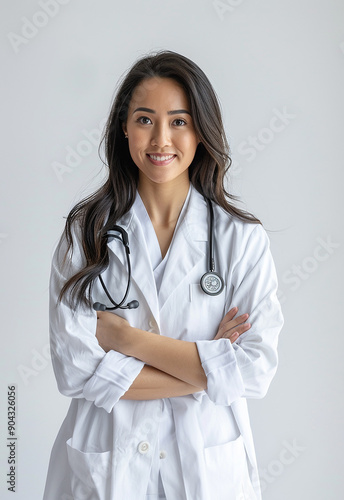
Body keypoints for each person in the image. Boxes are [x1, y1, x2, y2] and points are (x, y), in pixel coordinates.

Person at [43, 50, 284, 500]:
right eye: (144, 119)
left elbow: (255, 370)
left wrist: (129, 342)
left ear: (201, 129)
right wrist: (210, 365)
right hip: (106, 467)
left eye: (178, 121)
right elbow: (75, 372)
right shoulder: (85, 234)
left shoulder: (241, 240)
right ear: (124, 127)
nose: (160, 139)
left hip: (206, 469)